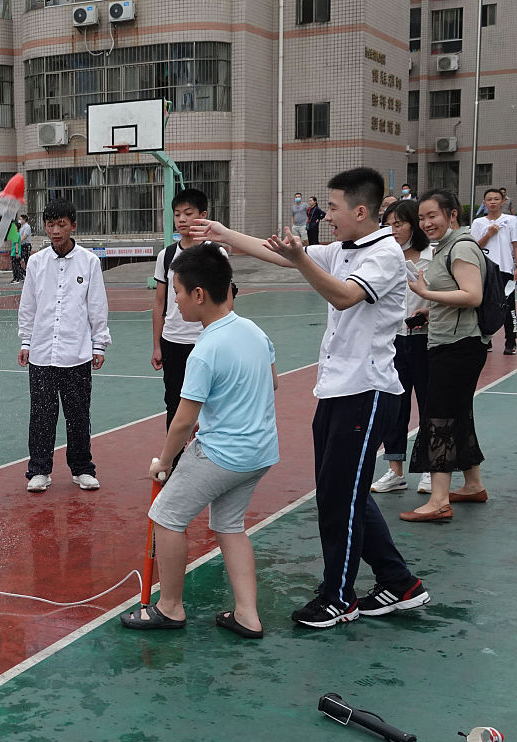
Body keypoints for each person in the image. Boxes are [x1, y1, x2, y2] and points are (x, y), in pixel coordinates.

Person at [193, 166, 430, 628]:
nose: (327, 216)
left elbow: (343, 297)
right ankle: (400, 583)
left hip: (368, 392)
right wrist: (224, 233)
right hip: (338, 390)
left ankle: (339, 597)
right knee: (343, 492)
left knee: (341, 499)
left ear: (361, 211)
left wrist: (302, 260)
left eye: (335, 208)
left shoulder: (383, 255)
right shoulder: (346, 247)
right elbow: (280, 254)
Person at [121, 245, 278, 638]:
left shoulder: (205, 348)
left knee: (166, 517)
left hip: (223, 453)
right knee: (229, 525)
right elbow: (272, 384)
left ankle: (170, 608)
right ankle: (247, 614)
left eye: (176, 291)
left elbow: (182, 420)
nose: (173, 300)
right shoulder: (254, 332)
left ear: (198, 295)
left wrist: (164, 461)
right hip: (260, 451)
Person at [401, 188, 490, 521]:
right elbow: (456, 294)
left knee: (439, 416)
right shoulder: (449, 247)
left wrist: (425, 293)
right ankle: (472, 484)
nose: (426, 223)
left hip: (458, 346)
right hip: (453, 340)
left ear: (452, 214)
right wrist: (432, 307)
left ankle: (438, 500)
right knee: (459, 413)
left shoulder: (462, 247)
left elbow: (472, 295)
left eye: (432, 215)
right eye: (422, 217)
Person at [18, 199, 110, 492]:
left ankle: (82, 468)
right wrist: (26, 340)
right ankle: (39, 470)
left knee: (78, 414)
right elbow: (28, 306)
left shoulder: (89, 262)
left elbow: (97, 306)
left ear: (73, 225)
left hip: (77, 352)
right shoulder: (36, 262)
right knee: (42, 415)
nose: (55, 230)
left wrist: (99, 345)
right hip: (42, 353)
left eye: (61, 224)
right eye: (50, 224)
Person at [370, 199, 433, 495]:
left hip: (428, 339)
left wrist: (429, 313)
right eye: (389, 224)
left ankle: (433, 469)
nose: (393, 230)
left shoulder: (433, 256)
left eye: (400, 224)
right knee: (396, 405)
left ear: (415, 225)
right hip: (395, 341)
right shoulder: (386, 257)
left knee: (431, 404)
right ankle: (395, 470)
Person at [151, 188, 218, 431]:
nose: (181, 219)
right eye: (177, 214)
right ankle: (175, 463)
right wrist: (157, 345)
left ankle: (210, 461)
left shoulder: (214, 253)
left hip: (206, 343)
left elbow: (226, 301)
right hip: (173, 342)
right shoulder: (166, 255)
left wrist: (221, 339)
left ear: (202, 215)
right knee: (175, 404)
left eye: (188, 213)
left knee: (213, 404)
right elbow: (159, 302)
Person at [470, 188, 517, 354]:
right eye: (489, 199)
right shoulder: (478, 223)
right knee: (484, 305)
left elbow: (515, 245)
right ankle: (486, 340)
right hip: (485, 270)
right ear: (484, 203)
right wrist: (489, 234)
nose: (493, 202)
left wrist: (516, 266)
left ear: (503, 201)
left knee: (508, 306)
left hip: (505, 269)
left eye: (496, 199)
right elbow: (475, 246)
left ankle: (510, 343)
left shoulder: (511, 221)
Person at [10, 214, 32, 284]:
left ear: (24, 220)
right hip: (20, 246)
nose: (20, 220)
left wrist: (18, 243)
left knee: (26, 261)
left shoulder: (27, 227)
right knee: (17, 262)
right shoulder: (21, 228)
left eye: (21, 219)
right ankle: (21, 275)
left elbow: (24, 237)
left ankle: (27, 275)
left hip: (25, 245)